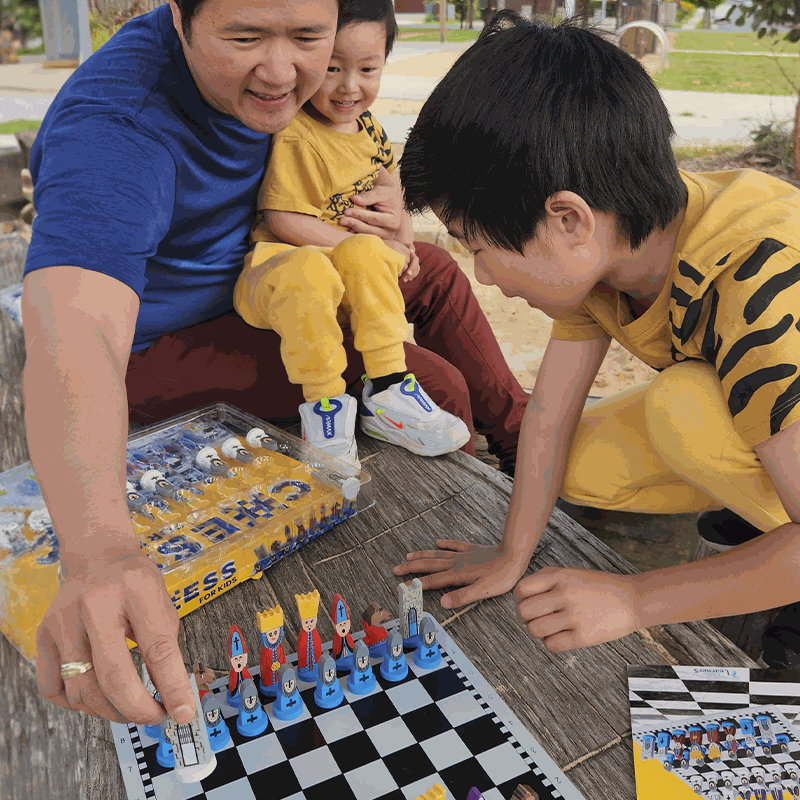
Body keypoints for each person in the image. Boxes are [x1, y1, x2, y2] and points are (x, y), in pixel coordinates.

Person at [21, 0, 528, 726]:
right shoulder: (117, 128)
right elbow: (76, 330)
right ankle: (474, 483)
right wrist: (99, 547)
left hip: (281, 272)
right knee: (438, 385)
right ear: (178, 16)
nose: (281, 72)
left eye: (307, 38)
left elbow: (366, 162)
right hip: (175, 341)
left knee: (438, 273)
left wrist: (391, 212)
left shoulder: (319, 88)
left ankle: (524, 443)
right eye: (246, 37)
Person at [393, 12, 800, 655]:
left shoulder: (757, 280)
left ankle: (777, 557)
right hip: (769, 410)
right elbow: (549, 418)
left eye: (480, 246)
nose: (485, 278)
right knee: (579, 461)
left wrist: (636, 600)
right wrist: (510, 553)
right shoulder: (609, 251)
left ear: (568, 219)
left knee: (685, 407)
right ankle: (769, 527)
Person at [233, 0, 469, 467]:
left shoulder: (367, 127)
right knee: (315, 270)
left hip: (344, 273)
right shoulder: (299, 135)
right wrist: (374, 247)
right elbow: (282, 220)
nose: (349, 86)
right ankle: (324, 411)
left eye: (367, 69)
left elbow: (390, 182)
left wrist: (400, 235)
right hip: (284, 275)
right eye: (334, 68)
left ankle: (387, 388)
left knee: (379, 260)